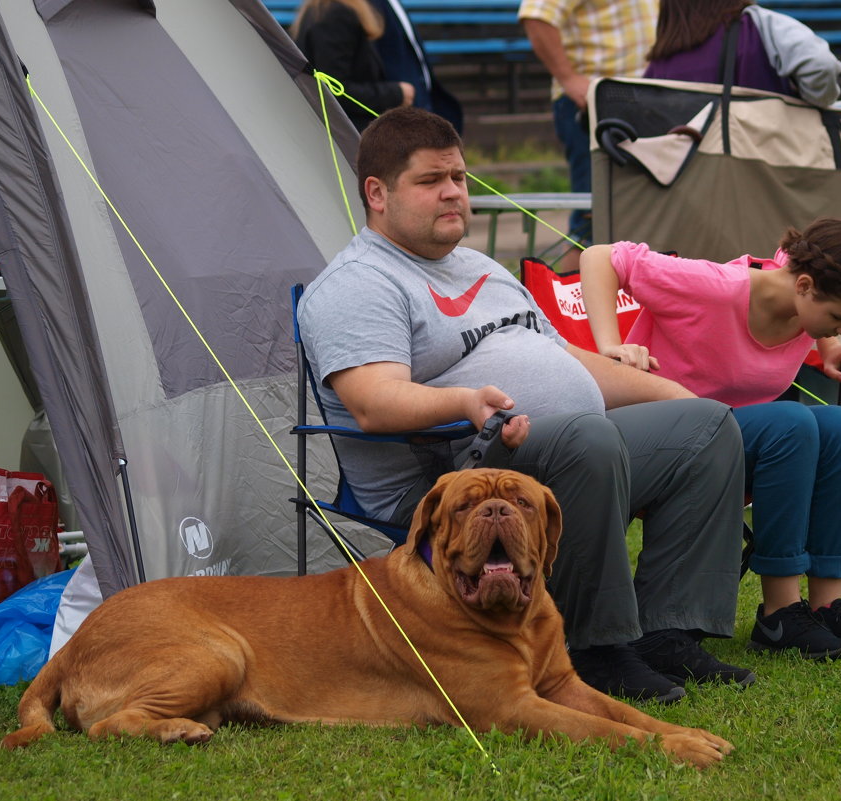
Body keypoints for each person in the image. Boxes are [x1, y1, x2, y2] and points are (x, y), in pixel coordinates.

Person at [298, 106, 755, 705]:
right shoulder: (360, 283)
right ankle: (595, 649)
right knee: (588, 439)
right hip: (450, 476)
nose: (454, 194)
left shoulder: (480, 267)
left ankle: (668, 632)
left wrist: (673, 395)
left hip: (557, 448)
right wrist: (463, 400)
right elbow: (374, 402)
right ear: (377, 193)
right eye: (431, 181)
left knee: (707, 426)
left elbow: (564, 358)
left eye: (459, 178)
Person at [578, 218, 841, 660]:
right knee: (790, 422)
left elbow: (825, 260)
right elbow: (600, 257)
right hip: (656, 439)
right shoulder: (713, 287)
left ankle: (827, 605)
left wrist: (830, 343)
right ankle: (780, 613)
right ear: (804, 286)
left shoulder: (800, 283)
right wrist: (609, 348)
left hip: (724, 441)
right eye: (838, 319)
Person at [519, 0, 658, 258]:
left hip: (641, 101)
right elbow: (536, 16)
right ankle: (570, 298)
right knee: (592, 222)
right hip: (594, 103)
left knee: (633, 222)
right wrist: (568, 78)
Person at [645, 0, 841, 108]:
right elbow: (820, 65)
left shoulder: (661, 58)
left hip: (693, 177)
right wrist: (816, 103)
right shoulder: (759, 24)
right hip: (765, 164)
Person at [291, 0, 415, 131]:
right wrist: (396, 94)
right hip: (345, 133)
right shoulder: (336, 13)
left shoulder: (325, 9)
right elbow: (336, 90)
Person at [368, 0, 464, 133]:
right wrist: (395, 93)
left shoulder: (393, 4)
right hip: (400, 117)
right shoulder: (368, 7)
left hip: (421, 106)